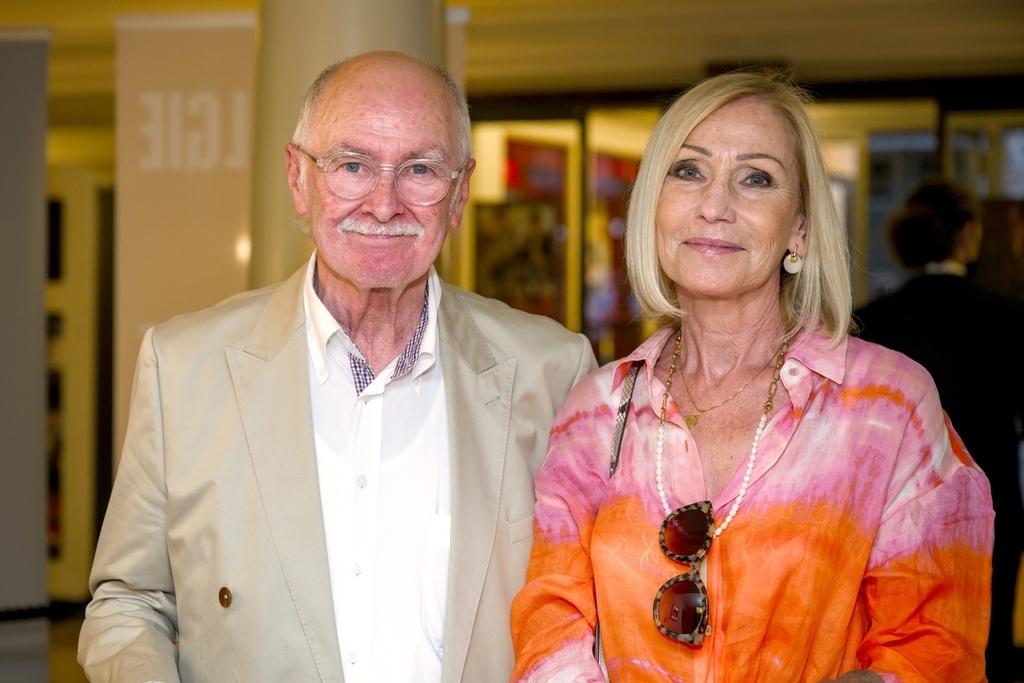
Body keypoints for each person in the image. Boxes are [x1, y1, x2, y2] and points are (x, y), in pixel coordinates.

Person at [78, 51, 597, 683]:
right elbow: (128, 602)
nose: (383, 204)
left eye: (420, 170)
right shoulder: (183, 369)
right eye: (353, 166)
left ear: (459, 193)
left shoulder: (554, 374)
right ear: (298, 181)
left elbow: (591, 612)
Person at [510, 71, 993, 682]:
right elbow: (551, 623)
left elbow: (932, 651)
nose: (715, 205)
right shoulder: (596, 412)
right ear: (654, 206)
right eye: (688, 171)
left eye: (756, 178)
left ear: (800, 228)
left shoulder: (888, 407)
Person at [856, 177, 1024, 683]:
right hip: (990, 512)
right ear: (966, 233)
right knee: (984, 647)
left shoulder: (869, 323)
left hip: (886, 517)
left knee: (891, 649)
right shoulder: (1008, 319)